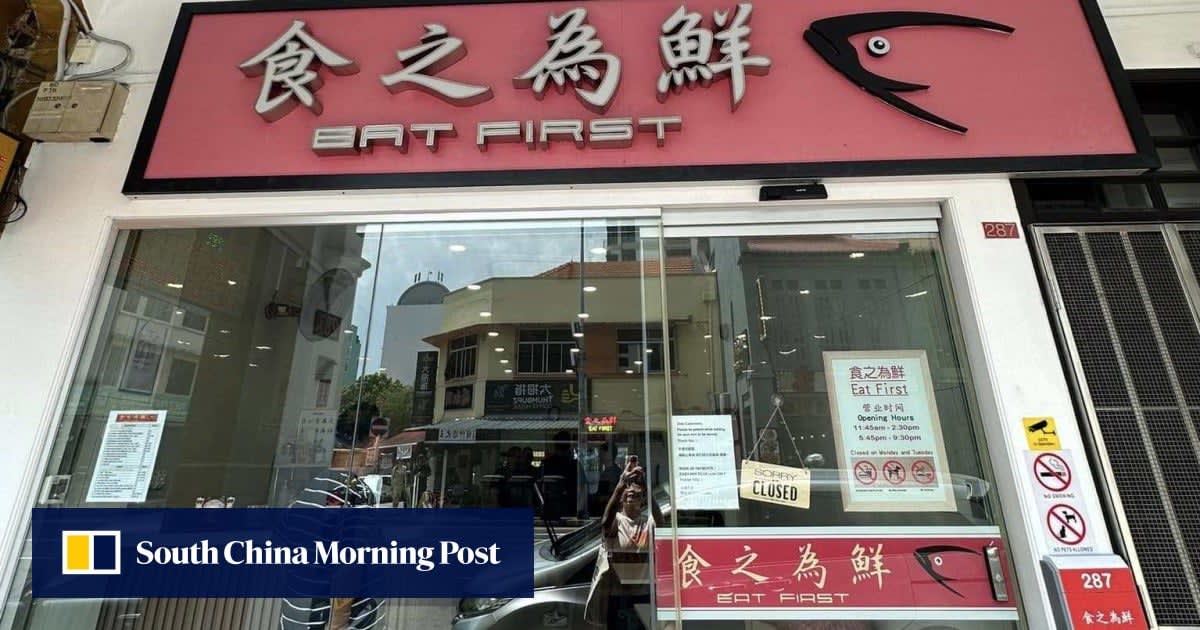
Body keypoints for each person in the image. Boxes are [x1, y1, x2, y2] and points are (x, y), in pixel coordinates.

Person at [584, 455, 661, 629]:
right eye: (628, 491)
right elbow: (605, 522)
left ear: (643, 500)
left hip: (643, 595)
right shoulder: (617, 521)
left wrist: (646, 486)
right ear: (621, 499)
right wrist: (621, 484)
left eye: (637, 493)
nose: (632, 491)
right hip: (618, 596)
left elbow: (661, 525)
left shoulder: (647, 522)